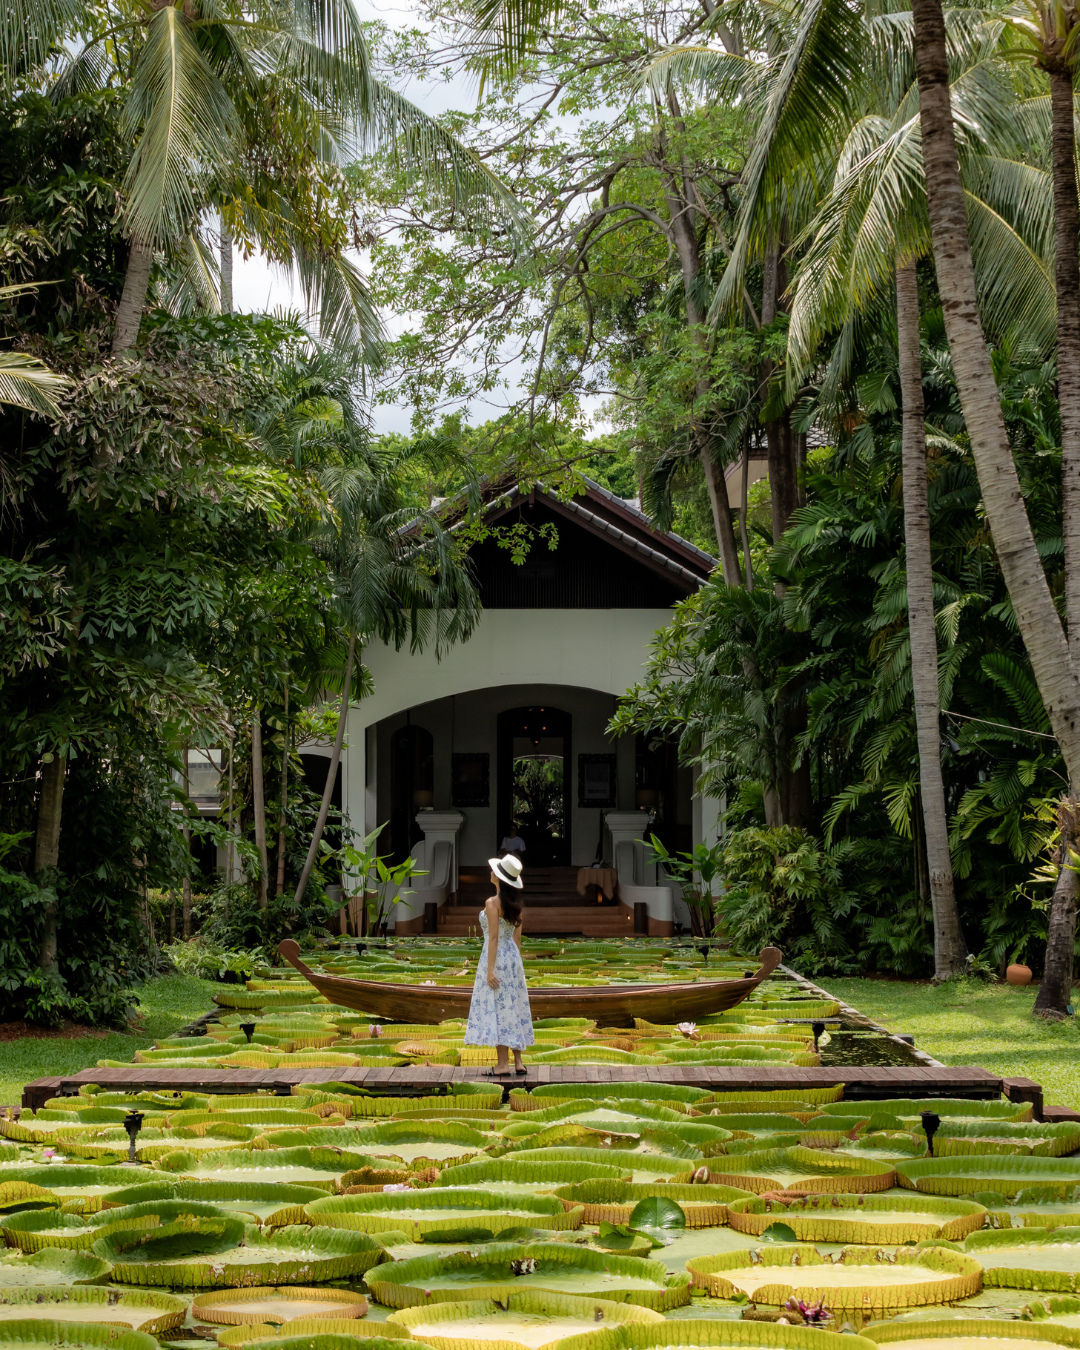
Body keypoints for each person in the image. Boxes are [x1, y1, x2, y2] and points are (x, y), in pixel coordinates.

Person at [464, 853, 534, 1076]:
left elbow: (493, 937)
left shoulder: (492, 903)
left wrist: (490, 969)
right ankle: (518, 1062)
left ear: (500, 878)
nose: (491, 872)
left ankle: (502, 1065)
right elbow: (517, 939)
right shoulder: (517, 906)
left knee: (499, 1008)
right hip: (512, 958)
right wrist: (516, 967)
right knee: (513, 1004)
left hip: (496, 956)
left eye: (495, 870)